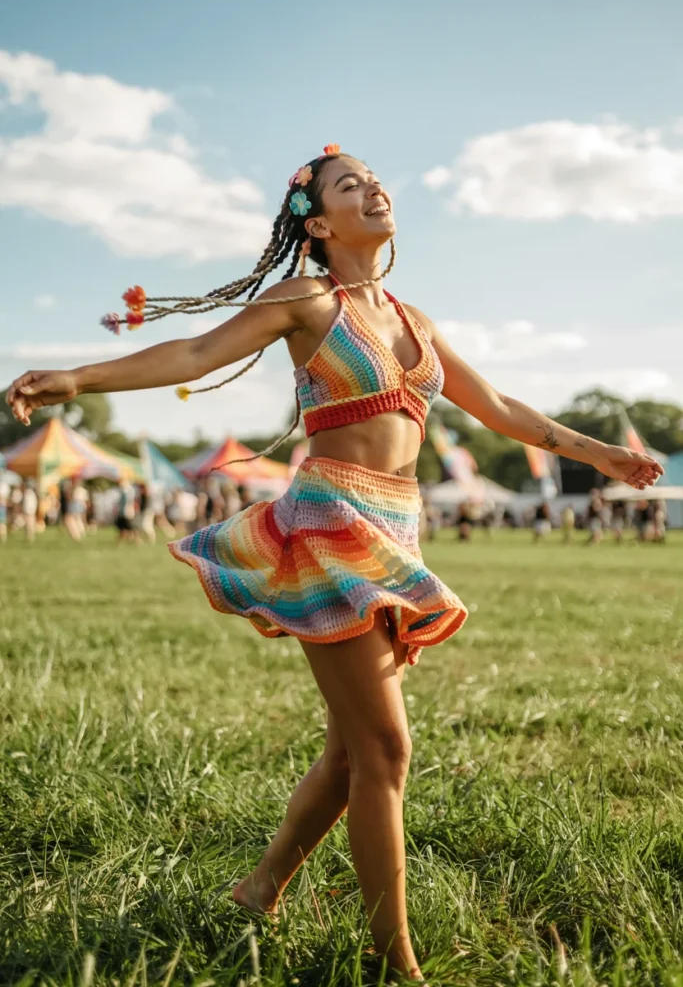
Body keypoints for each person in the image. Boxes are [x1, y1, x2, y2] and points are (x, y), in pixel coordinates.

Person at [5, 146, 664, 984]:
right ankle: (396, 962)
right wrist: (77, 378)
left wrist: (601, 453)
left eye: (374, 177)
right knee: (386, 750)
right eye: (348, 185)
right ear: (318, 224)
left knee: (353, 752)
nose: (373, 188)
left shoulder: (414, 321)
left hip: (398, 526)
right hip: (328, 520)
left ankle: (259, 889)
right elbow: (194, 355)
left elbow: (497, 407)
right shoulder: (308, 297)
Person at [21, 479, 39, 543]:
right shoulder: (32, 493)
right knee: (31, 522)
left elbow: (26, 503)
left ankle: (29, 536)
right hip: (32, 510)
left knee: (28, 523)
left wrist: (24, 510)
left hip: (28, 510)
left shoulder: (27, 493)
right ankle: (31, 536)